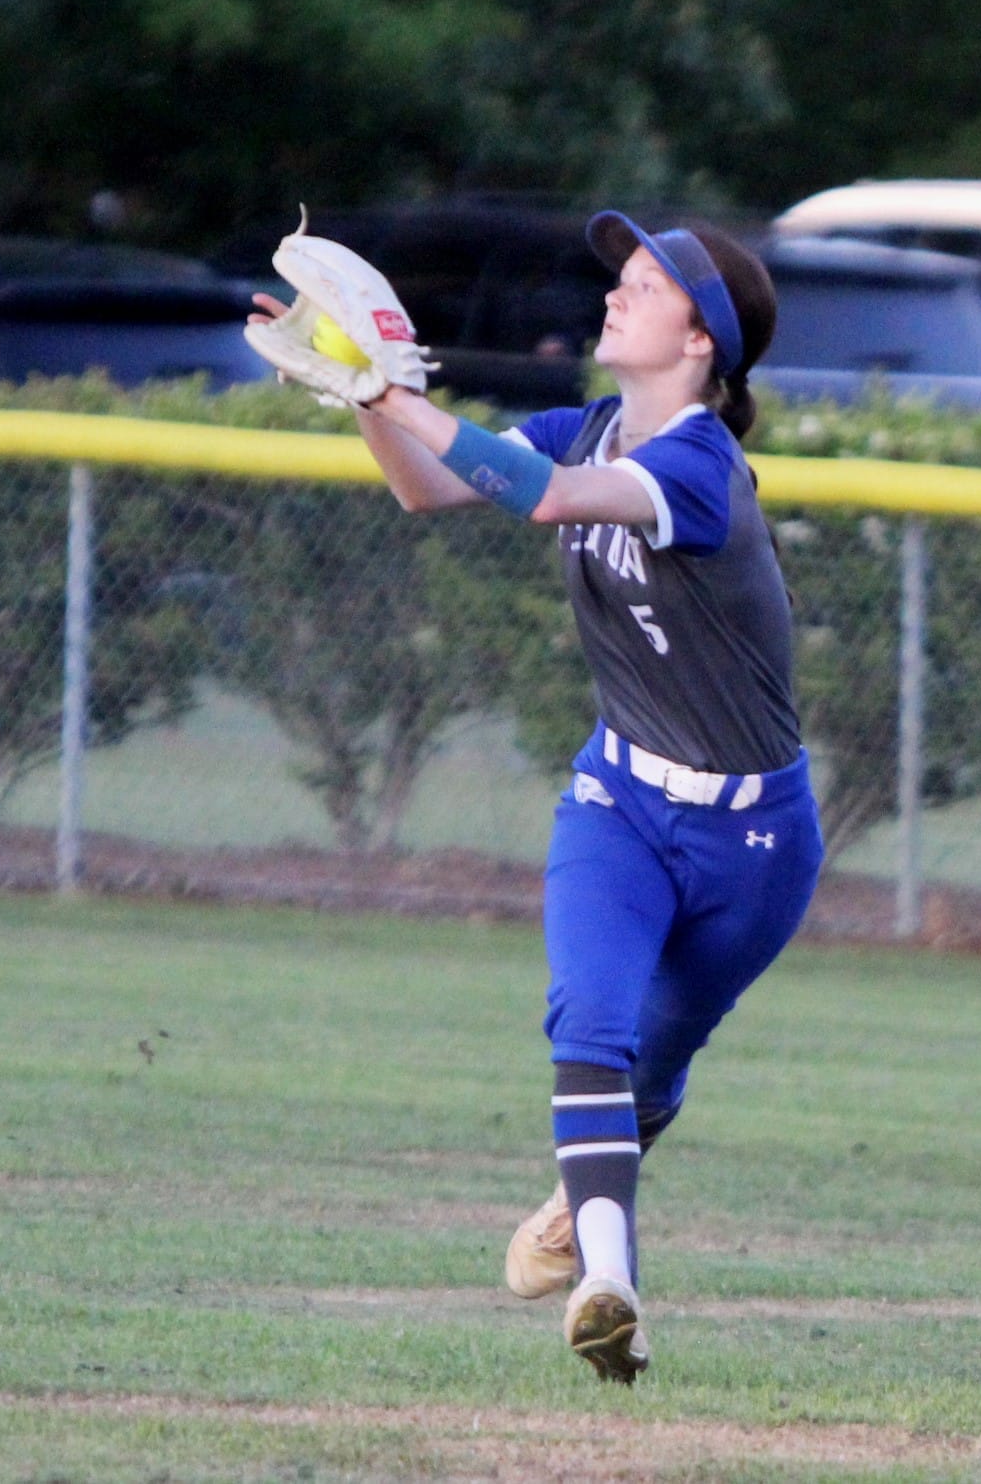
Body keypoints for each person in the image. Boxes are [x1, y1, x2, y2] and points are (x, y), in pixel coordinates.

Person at [250, 210, 824, 1385]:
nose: (619, 288)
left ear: (703, 344)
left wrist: (389, 375)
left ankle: (578, 1200)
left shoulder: (698, 466)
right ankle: (612, 1283)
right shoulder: (593, 421)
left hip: (755, 842)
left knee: (654, 1067)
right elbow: (426, 489)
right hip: (617, 799)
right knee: (591, 1028)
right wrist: (367, 399)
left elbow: (547, 495)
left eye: (652, 282)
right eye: (624, 271)